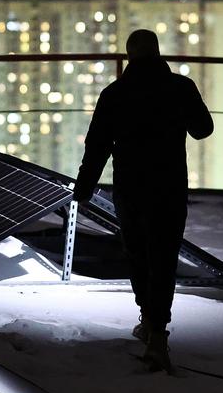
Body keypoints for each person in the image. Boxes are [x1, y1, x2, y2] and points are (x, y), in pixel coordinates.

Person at [72, 29, 213, 372]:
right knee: (164, 256)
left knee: (138, 253)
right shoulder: (181, 87)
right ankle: (158, 331)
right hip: (169, 186)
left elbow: (97, 147)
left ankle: (147, 318)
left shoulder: (115, 94)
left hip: (130, 188)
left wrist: (84, 188)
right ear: (158, 52)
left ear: (130, 55)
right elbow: (203, 129)